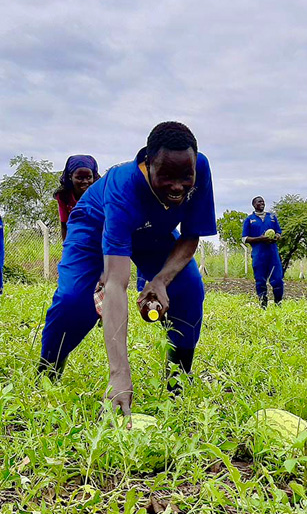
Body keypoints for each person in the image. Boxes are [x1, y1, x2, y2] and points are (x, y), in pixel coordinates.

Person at [39, 121, 215, 409]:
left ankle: (178, 383)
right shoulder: (124, 189)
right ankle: (47, 374)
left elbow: (190, 235)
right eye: (166, 175)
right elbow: (116, 284)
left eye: (186, 176)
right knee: (75, 301)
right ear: (148, 164)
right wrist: (119, 375)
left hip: (151, 231)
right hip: (94, 226)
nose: (177, 186)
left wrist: (160, 281)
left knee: (188, 289)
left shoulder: (200, 168)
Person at [241, 196, 285, 307]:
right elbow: (244, 238)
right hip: (259, 254)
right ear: (254, 204)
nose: (262, 203)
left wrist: (276, 237)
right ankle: (263, 303)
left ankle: (278, 302)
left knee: (278, 279)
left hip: (273, 254)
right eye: (259, 202)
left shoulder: (272, 217)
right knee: (260, 280)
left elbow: (279, 233)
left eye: (263, 202)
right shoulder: (249, 219)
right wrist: (260, 239)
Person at [55, 155, 100, 238]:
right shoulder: (64, 196)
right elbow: (64, 224)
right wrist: (66, 244)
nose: (85, 181)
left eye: (89, 177)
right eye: (79, 178)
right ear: (70, 177)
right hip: (76, 237)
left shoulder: (100, 195)